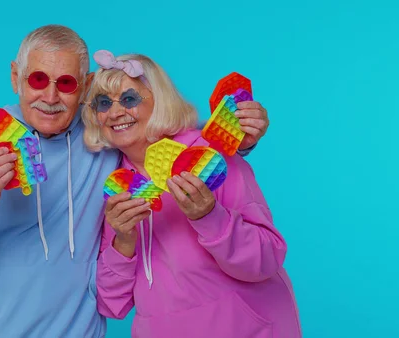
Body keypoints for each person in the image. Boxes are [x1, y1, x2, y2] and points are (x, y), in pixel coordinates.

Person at [0, 24, 269, 337]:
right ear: (16, 77)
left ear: (84, 85)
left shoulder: (102, 140)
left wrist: (241, 135)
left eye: (66, 83)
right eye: (37, 79)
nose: (50, 97)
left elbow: (168, 136)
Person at [83, 50, 301, 338]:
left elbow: (267, 257)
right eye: (103, 103)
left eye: (129, 99)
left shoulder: (207, 157)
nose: (114, 112)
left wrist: (209, 217)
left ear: (159, 102)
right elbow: (113, 304)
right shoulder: (116, 185)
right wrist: (124, 239)